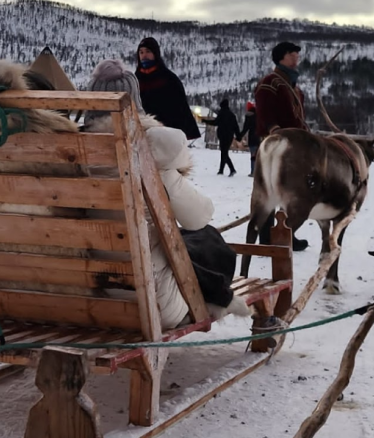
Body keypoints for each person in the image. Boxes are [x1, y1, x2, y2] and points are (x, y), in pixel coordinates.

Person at [83, 59, 249, 328]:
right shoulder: (148, 153)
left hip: (82, 294)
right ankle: (215, 295)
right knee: (206, 237)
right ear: (134, 102)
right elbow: (199, 217)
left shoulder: (69, 155)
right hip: (151, 301)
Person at [253, 41, 309, 251]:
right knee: (270, 191)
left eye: (296, 54)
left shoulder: (295, 88)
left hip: (294, 146)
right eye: (291, 53)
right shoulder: (270, 83)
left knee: (290, 191)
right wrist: (273, 130)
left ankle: (287, 232)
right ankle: (267, 236)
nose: (296, 57)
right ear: (280, 57)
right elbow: (264, 112)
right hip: (276, 146)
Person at [134, 37, 201, 141]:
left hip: (167, 134)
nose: (144, 56)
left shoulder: (168, 79)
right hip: (141, 134)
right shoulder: (135, 80)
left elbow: (180, 108)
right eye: (141, 52)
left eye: (148, 51)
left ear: (155, 54)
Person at [201, 98, 240, 176]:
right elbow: (236, 127)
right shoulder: (232, 115)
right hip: (229, 136)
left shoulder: (221, 113)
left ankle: (232, 169)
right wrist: (238, 136)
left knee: (224, 153)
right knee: (224, 152)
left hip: (222, 135)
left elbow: (215, 122)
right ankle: (221, 170)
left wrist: (206, 121)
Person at [237, 101, 259, 177]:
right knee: (259, 155)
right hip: (260, 137)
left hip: (252, 138)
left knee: (253, 156)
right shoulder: (259, 115)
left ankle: (253, 172)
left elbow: (246, 128)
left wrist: (239, 136)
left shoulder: (249, 116)